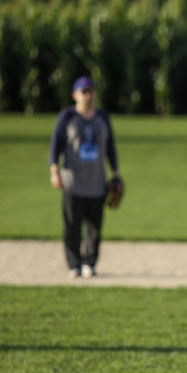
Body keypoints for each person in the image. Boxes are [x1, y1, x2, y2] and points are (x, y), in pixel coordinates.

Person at [48, 76, 121, 278]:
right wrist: (54, 170)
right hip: (72, 181)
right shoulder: (67, 117)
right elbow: (56, 144)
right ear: (75, 95)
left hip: (97, 182)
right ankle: (74, 264)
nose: (88, 95)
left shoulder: (103, 117)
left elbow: (110, 147)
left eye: (91, 91)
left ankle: (90, 262)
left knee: (95, 227)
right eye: (84, 92)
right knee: (72, 225)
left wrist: (115, 172)